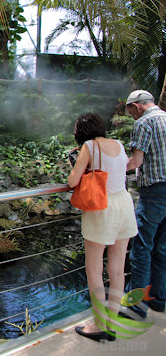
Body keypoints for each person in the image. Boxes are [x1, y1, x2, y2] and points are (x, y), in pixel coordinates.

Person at [67, 113, 138, 342]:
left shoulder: (89, 146)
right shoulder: (118, 144)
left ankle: (98, 325)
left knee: (94, 269)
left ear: (82, 131)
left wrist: (77, 164)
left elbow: (72, 181)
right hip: (124, 204)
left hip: (102, 208)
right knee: (117, 269)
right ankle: (111, 322)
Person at [125, 89, 166, 317]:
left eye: (131, 111)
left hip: (155, 191)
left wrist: (117, 165)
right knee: (162, 248)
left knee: (141, 248)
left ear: (136, 106)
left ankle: (135, 307)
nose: (132, 116)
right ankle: (159, 300)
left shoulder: (143, 123)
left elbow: (136, 162)